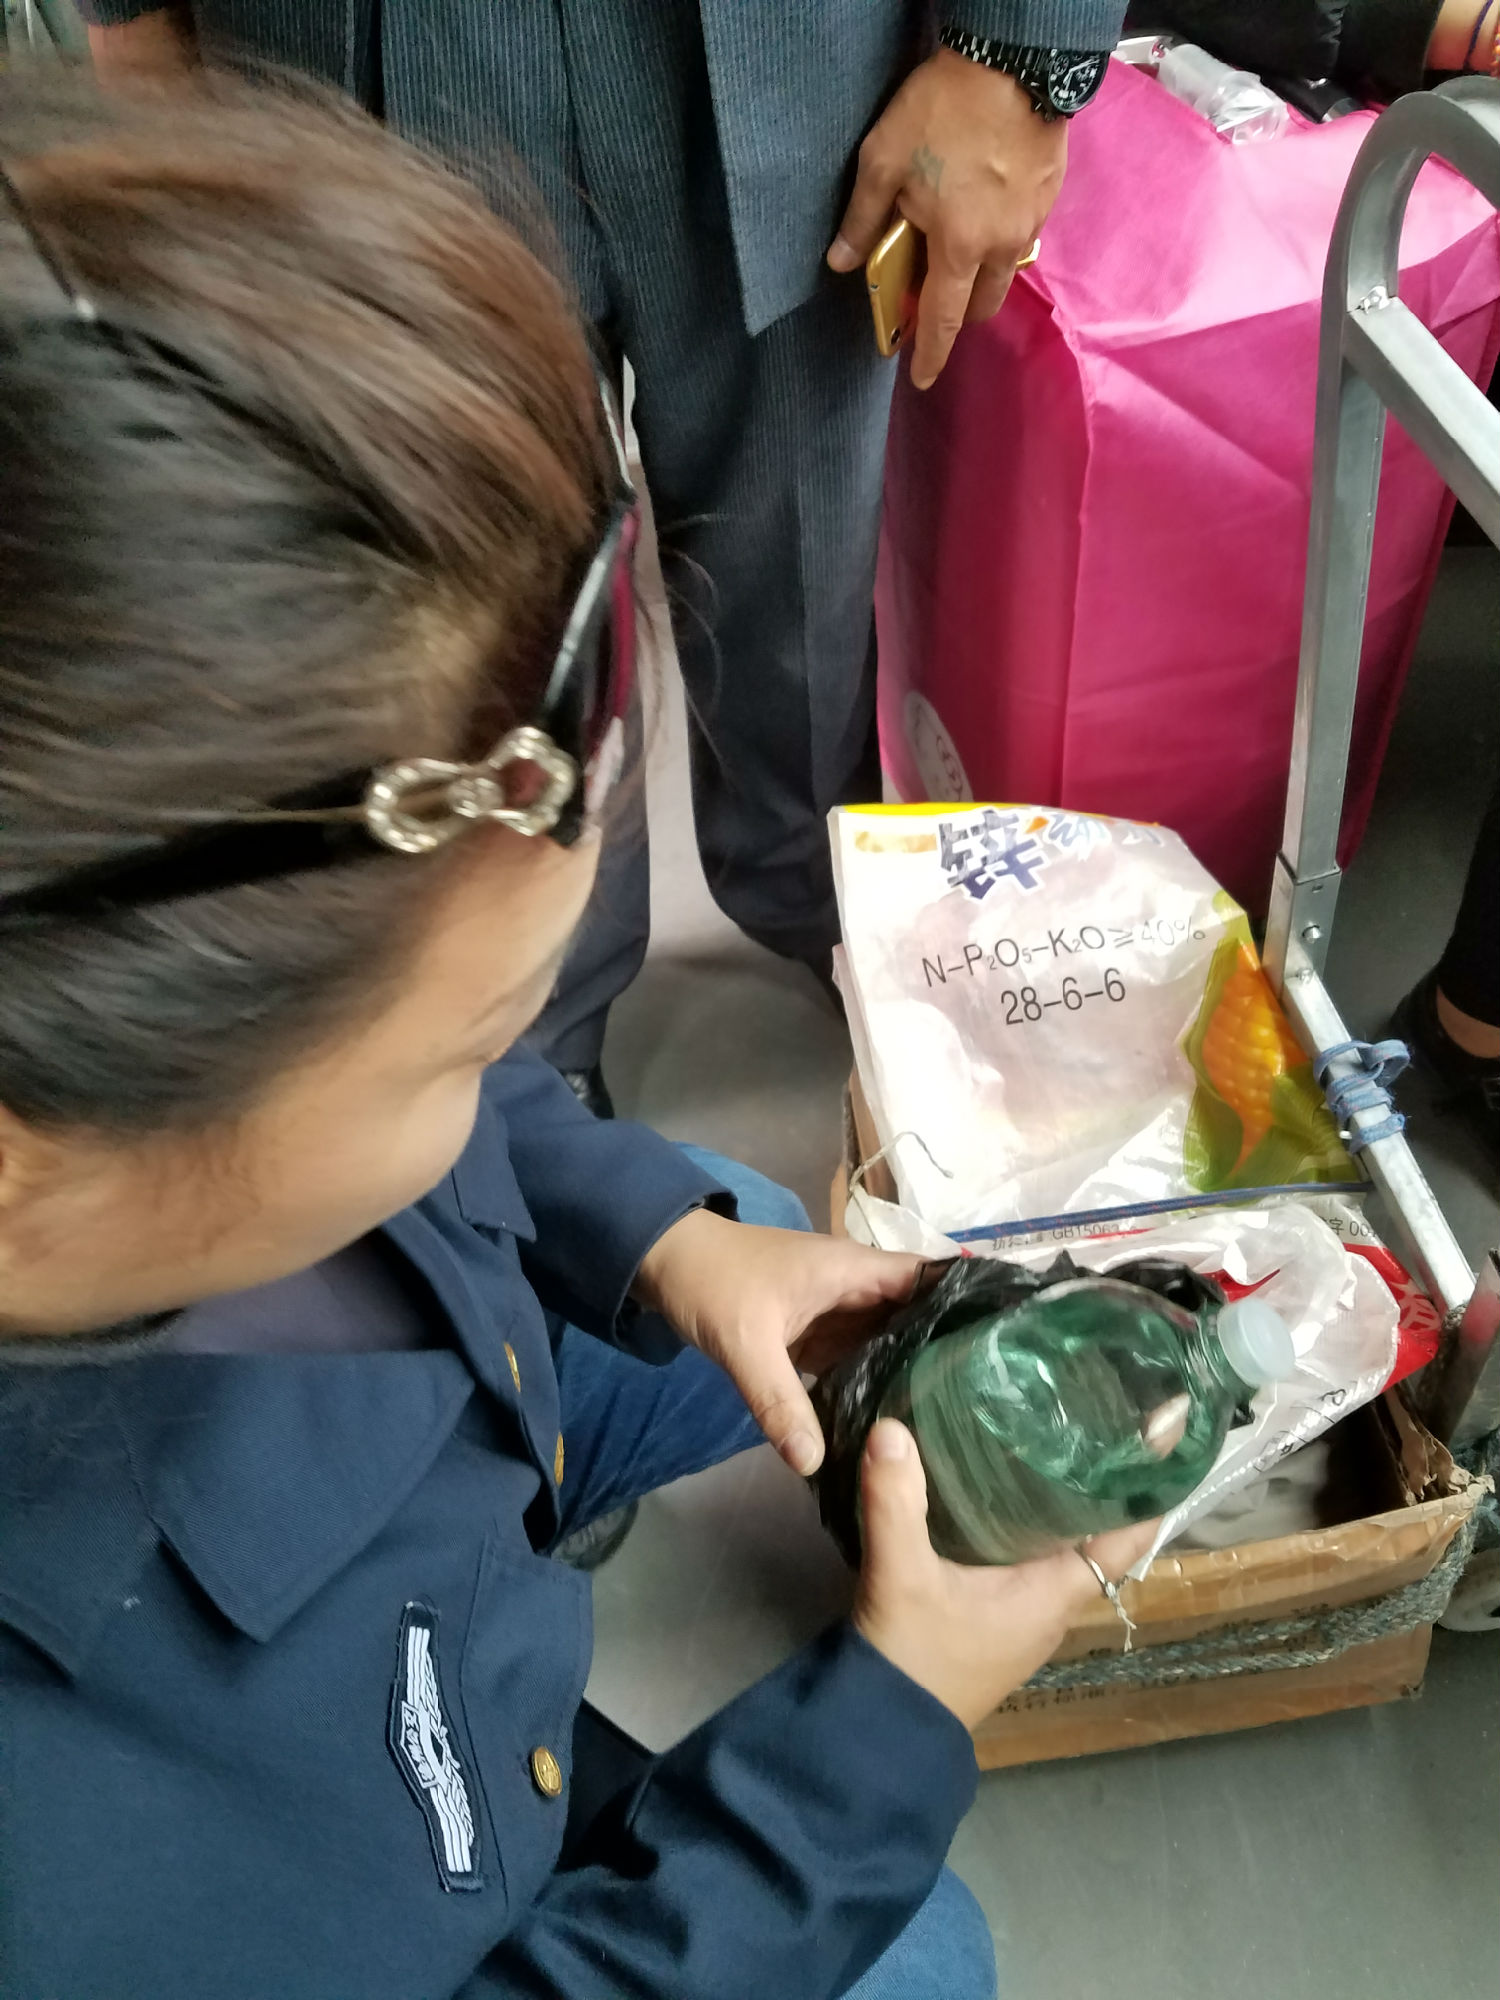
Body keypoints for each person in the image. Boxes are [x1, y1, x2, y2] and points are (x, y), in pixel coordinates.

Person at [0, 82, 1153, 1999]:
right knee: (925, 1952)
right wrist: (880, 1731)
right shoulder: (94, 1866)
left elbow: (461, 1133)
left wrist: (665, 1244)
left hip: (446, 1409)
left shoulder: (134, 1063)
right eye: (466, 1045)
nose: (501, 1081)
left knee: (734, 1217)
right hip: (430, 1854)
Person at [82, 0, 1126, 1117]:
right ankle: (534, 1049)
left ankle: (839, 909)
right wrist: (130, 17)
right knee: (475, 643)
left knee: (809, 591)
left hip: (804, 56)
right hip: (354, 59)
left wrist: (1024, 48)